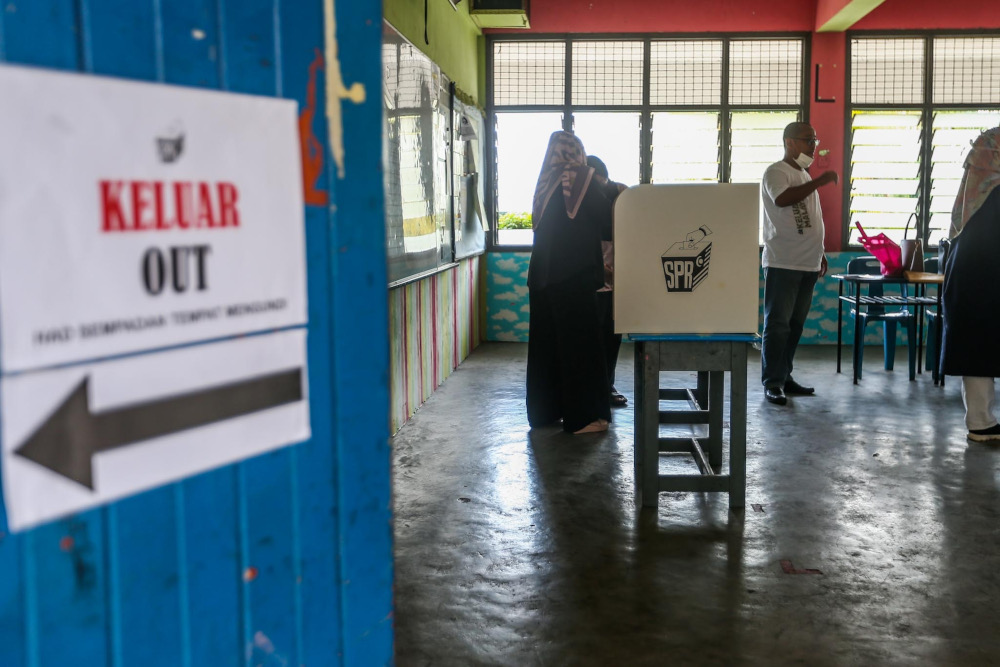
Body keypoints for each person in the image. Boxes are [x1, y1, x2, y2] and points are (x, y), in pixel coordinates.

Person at [526, 131, 613, 434]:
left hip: (540, 276)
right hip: (572, 275)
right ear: (578, 152)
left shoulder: (545, 180)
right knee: (581, 347)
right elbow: (606, 219)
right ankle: (584, 418)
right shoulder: (578, 176)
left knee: (546, 348)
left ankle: (546, 412)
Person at [759, 122, 838, 406]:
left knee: (794, 325)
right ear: (789, 142)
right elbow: (782, 200)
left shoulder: (803, 174)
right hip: (784, 261)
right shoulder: (777, 172)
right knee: (778, 324)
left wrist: (820, 252)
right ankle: (772, 382)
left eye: (814, 141)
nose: (813, 146)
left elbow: (808, 218)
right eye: (807, 140)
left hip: (807, 262)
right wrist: (820, 180)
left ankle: (784, 376)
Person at [941, 126, 1000, 442]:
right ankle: (981, 422)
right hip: (980, 275)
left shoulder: (975, 196)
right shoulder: (992, 197)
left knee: (979, 344)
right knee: (979, 345)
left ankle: (981, 420)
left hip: (973, 272)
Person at [587, 155, 629, 408]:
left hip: (617, 284)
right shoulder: (583, 200)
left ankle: (607, 385)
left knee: (612, 338)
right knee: (593, 339)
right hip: (591, 283)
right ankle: (593, 387)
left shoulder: (620, 193)